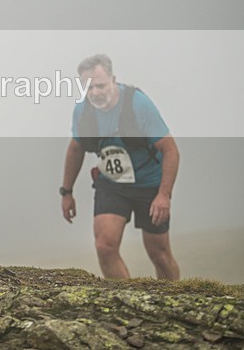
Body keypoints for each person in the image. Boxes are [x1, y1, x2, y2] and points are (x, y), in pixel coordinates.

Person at [60, 54, 180, 280]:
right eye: (88, 87)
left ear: (113, 79)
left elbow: (171, 150)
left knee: (160, 255)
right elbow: (75, 149)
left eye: (100, 85)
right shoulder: (83, 111)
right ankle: (127, 301)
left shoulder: (138, 105)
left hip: (149, 184)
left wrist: (164, 195)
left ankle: (173, 301)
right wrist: (66, 192)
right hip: (112, 184)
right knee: (105, 246)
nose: (95, 92)